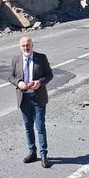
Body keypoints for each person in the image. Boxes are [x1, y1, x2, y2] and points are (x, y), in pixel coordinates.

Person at [8, 36, 54, 168]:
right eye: (23, 46)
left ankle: (44, 154)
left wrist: (40, 82)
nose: (26, 48)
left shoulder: (41, 58)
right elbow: (11, 77)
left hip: (38, 98)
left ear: (32, 45)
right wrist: (19, 83)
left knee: (40, 127)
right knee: (28, 127)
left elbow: (49, 75)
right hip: (24, 99)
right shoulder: (16, 60)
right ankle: (32, 152)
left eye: (28, 45)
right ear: (20, 47)